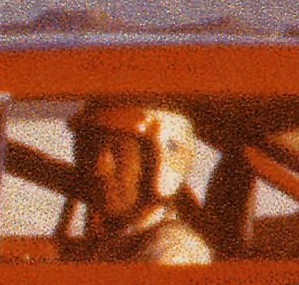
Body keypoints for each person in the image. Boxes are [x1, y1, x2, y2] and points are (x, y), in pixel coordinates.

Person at [68, 101, 213, 264]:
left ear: (157, 164)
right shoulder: (115, 242)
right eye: (90, 150)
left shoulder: (173, 252)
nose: (99, 168)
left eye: (119, 151)